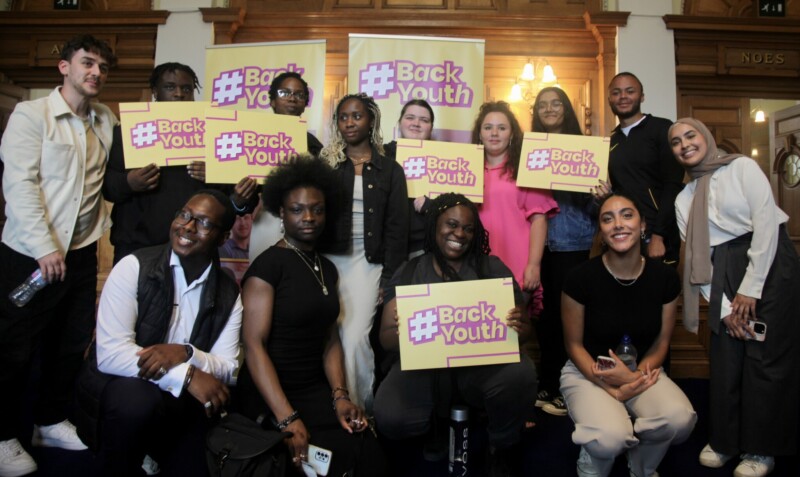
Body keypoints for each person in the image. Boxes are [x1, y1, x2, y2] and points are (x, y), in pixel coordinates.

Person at [0, 34, 117, 476]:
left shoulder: (105, 119)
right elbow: (19, 186)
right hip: (29, 254)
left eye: (103, 66)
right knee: (14, 349)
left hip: (82, 254)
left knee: (70, 344)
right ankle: (2, 435)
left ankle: (48, 421)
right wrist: (44, 246)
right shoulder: (31, 115)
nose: (96, 72)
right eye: (87, 62)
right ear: (64, 67)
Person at [72, 189, 241, 476]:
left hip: (180, 405)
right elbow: (111, 355)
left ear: (223, 237)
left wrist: (186, 353)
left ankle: (157, 450)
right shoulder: (134, 267)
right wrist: (187, 375)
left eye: (203, 222)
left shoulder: (229, 292)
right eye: (184, 215)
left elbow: (229, 369)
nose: (188, 226)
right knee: (137, 400)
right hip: (123, 391)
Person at [237, 156, 387, 476]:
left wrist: (340, 397)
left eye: (317, 209)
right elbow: (253, 346)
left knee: (368, 453)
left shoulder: (326, 268)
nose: (309, 217)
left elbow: (329, 337)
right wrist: (287, 418)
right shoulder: (267, 267)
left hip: (313, 388)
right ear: (281, 212)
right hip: (270, 393)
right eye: (298, 209)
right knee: (321, 464)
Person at [670, 118, 800, 477]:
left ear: (706, 137)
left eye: (690, 135)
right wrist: (725, 309)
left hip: (770, 264)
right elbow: (698, 261)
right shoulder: (684, 199)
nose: (684, 144)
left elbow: (766, 225)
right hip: (721, 273)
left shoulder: (742, 168)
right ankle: (725, 441)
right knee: (727, 358)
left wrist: (750, 288)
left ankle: (762, 448)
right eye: (676, 142)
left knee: (765, 359)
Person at [374, 193, 537, 477]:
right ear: (435, 225)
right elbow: (386, 339)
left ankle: (501, 443)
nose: (459, 234)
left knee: (520, 373)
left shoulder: (491, 268)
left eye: (468, 228)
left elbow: (523, 330)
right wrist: (403, 330)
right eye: (451, 224)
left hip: (480, 370)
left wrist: (520, 327)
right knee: (390, 414)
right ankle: (432, 426)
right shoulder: (410, 271)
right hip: (425, 372)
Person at [560, 192, 696, 477]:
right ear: (601, 231)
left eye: (627, 215)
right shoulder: (579, 277)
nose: (618, 224)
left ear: (643, 224)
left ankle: (641, 464)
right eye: (607, 219)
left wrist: (633, 378)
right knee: (610, 437)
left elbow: (662, 342)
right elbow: (574, 346)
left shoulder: (665, 278)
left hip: (640, 369)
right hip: (588, 371)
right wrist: (613, 388)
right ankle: (594, 456)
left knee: (679, 419)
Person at [103, 62, 257, 264]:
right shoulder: (128, 130)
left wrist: (219, 177)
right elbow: (108, 187)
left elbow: (239, 198)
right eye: (170, 87)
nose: (179, 94)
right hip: (138, 247)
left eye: (186, 89)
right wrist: (129, 182)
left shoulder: (216, 133)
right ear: (155, 91)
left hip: (196, 246)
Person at [320, 93, 409, 411]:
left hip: (368, 263)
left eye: (356, 116)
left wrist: (389, 279)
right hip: (327, 261)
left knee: (355, 336)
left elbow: (397, 229)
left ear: (371, 121)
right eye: (343, 117)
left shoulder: (390, 170)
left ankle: (359, 409)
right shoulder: (327, 165)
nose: (349, 123)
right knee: (326, 334)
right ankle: (330, 405)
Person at [531, 87, 596, 417]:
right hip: (536, 244)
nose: (549, 109)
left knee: (567, 316)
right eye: (542, 105)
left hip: (572, 242)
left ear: (566, 108)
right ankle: (547, 380)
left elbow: (596, 207)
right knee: (542, 315)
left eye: (556, 103)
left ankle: (565, 386)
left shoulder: (586, 149)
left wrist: (599, 194)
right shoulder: (528, 150)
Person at [472, 101, 558, 318]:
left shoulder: (526, 169)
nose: (494, 133)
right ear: (479, 134)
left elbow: (539, 220)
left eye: (502, 128)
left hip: (517, 263)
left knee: (514, 328)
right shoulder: (466, 169)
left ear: (511, 134)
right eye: (488, 127)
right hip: (475, 263)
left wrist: (534, 265)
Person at [593, 72, 684, 266]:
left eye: (630, 91)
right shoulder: (611, 141)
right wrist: (607, 196)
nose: (623, 96)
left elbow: (673, 185)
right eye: (616, 93)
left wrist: (658, 235)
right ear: (609, 100)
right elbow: (622, 188)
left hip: (659, 237)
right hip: (625, 233)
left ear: (641, 96)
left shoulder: (662, 129)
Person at [249, 71, 325, 261]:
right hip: (267, 218)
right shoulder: (253, 137)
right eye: (285, 93)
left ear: (305, 104)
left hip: (303, 220)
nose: (292, 98)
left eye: (299, 94)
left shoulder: (314, 145)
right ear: (272, 101)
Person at [383, 99, 435, 258]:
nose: (416, 124)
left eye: (424, 120)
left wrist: (434, 205)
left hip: (424, 247)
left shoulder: (444, 159)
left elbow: (455, 204)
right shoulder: (382, 155)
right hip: (385, 244)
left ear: (431, 127)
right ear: (400, 122)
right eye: (410, 117)